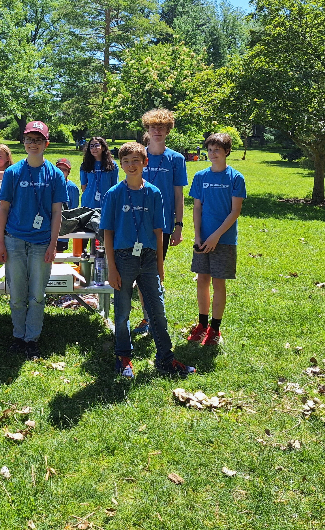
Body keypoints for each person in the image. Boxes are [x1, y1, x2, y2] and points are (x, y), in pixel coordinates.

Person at [101, 142, 196, 379]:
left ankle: (165, 359)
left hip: (149, 258)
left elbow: (158, 231)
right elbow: (108, 233)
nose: (131, 165)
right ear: (120, 165)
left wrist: (160, 267)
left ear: (145, 163)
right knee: (122, 313)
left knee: (157, 310)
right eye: (126, 162)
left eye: (136, 160)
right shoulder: (114, 194)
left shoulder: (154, 192)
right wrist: (111, 268)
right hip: (123, 258)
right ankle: (123, 357)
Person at [0, 121, 67, 359]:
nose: (33, 144)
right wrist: (1, 242)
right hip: (14, 240)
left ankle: (32, 339)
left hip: (41, 242)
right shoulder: (13, 172)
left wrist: (53, 243)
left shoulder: (55, 175)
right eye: (29, 139)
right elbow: (3, 209)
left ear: (46, 143)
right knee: (16, 293)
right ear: (23, 143)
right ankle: (18, 336)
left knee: (37, 294)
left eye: (38, 139)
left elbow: (57, 212)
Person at [132, 108, 189, 336]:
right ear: (147, 129)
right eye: (153, 126)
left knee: (155, 271)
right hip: (135, 224)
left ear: (168, 131)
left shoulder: (176, 159)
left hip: (162, 226)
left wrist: (178, 226)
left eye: (162, 127)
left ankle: (155, 318)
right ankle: (147, 317)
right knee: (137, 270)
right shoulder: (137, 155)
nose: (157, 131)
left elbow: (178, 195)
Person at [188, 133, 246, 346]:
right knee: (202, 280)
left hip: (224, 240)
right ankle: (202, 324)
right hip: (203, 238)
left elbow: (235, 211)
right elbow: (196, 208)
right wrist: (198, 235)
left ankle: (215, 328)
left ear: (227, 152)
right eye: (210, 150)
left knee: (218, 282)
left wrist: (216, 236)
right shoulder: (201, 177)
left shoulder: (235, 178)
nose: (213, 154)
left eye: (217, 150)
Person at [80, 136, 118, 209]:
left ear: (103, 148)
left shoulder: (112, 165)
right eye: (91, 146)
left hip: (106, 202)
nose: (94, 148)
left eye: (97, 145)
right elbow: (83, 187)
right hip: (88, 202)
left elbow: (114, 185)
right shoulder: (85, 165)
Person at [55, 157, 81, 253]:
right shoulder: (50, 185)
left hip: (63, 226)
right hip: (48, 226)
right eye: (59, 169)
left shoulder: (72, 188)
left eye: (65, 170)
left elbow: (73, 209)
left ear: (69, 172)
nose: (61, 172)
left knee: (58, 255)